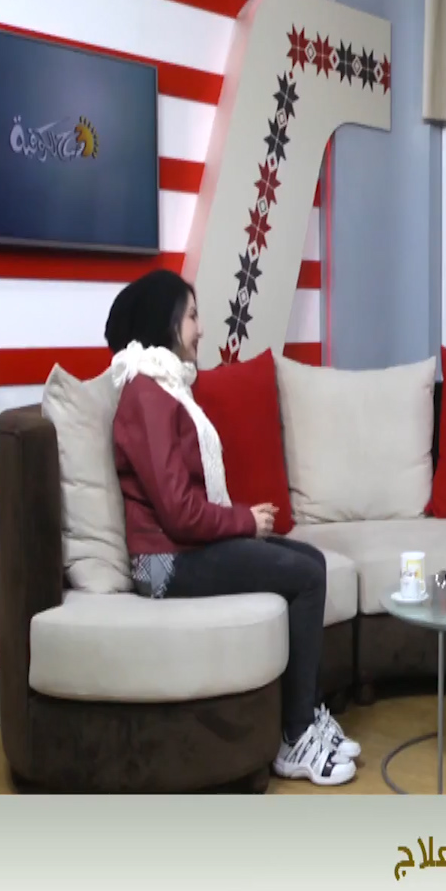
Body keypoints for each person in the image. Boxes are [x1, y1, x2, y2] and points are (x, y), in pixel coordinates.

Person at [105, 270, 360, 786]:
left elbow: (187, 504)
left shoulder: (168, 389)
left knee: (310, 560)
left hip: (182, 549)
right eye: (193, 316)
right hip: (163, 564)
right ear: (168, 324)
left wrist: (243, 521)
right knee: (306, 576)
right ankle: (295, 737)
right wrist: (244, 520)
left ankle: (305, 717)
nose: (201, 328)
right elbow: (178, 512)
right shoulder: (147, 396)